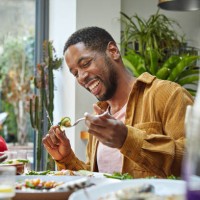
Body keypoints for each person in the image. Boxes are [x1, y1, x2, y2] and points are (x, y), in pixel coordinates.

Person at [42, 26, 194, 178]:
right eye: (75, 73)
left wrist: (127, 139)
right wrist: (66, 158)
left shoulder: (168, 94)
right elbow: (96, 177)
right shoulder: (99, 117)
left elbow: (194, 160)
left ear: (113, 51)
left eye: (86, 63)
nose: (81, 77)